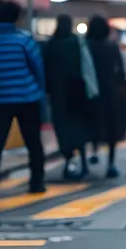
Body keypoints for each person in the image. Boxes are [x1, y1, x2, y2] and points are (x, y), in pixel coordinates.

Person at [0, 1, 46, 200]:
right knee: (33, 142)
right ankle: (37, 182)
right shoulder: (24, 41)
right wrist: (40, 90)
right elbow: (37, 67)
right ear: (17, 18)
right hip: (27, 97)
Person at [43, 16, 97, 179]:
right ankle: (83, 162)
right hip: (77, 93)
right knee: (78, 128)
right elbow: (86, 67)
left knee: (62, 129)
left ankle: (68, 161)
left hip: (58, 95)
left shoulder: (50, 45)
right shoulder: (76, 43)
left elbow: (45, 70)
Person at [86, 16, 126, 178]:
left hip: (90, 91)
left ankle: (93, 152)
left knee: (91, 123)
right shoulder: (112, 47)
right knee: (111, 127)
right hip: (110, 92)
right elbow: (120, 71)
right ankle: (111, 164)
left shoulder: (87, 46)